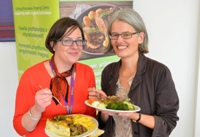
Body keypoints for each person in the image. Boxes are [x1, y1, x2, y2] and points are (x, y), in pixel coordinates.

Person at [88, 8, 179, 137]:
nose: (119, 41)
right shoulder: (108, 71)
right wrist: (104, 108)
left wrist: (134, 115)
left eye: (126, 34)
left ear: (140, 37)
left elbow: (168, 122)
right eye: (115, 35)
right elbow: (104, 123)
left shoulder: (159, 72)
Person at [13, 17, 96, 137]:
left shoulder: (87, 72)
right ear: (53, 45)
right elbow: (20, 129)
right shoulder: (31, 76)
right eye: (67, 41)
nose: (75, 46)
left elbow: (90, 118)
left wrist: (98, 103)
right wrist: (36, 109)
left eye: (79, 41)